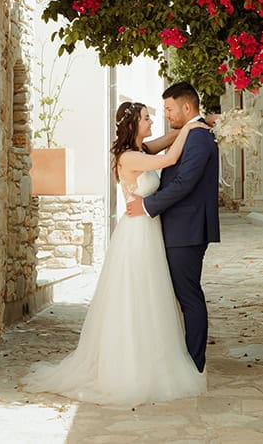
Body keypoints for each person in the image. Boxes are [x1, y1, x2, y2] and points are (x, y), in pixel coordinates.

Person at [20, 100, 209, 406]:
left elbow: (165, 141)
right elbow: (172, 156)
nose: (152, 122)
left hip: (146, 229)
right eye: (147, 118)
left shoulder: (140, 150)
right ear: (134, 125)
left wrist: (193, 124)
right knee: (137, 294)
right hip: (137, 233)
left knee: (151, 295)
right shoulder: (131, 157)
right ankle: (132, 365)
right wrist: (191, 126)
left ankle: (149, 355)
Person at [126, 81, 220, 374]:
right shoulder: (191, 134)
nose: (165, 115)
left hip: (187, 229)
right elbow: (164, 151)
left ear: (187, 107)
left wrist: (146, 206)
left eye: (169, 108)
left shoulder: (200, 139)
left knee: (188, 296)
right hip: (174, 228)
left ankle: (194, 364)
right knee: (175, 296)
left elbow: (184, 183)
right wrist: (191, 127)